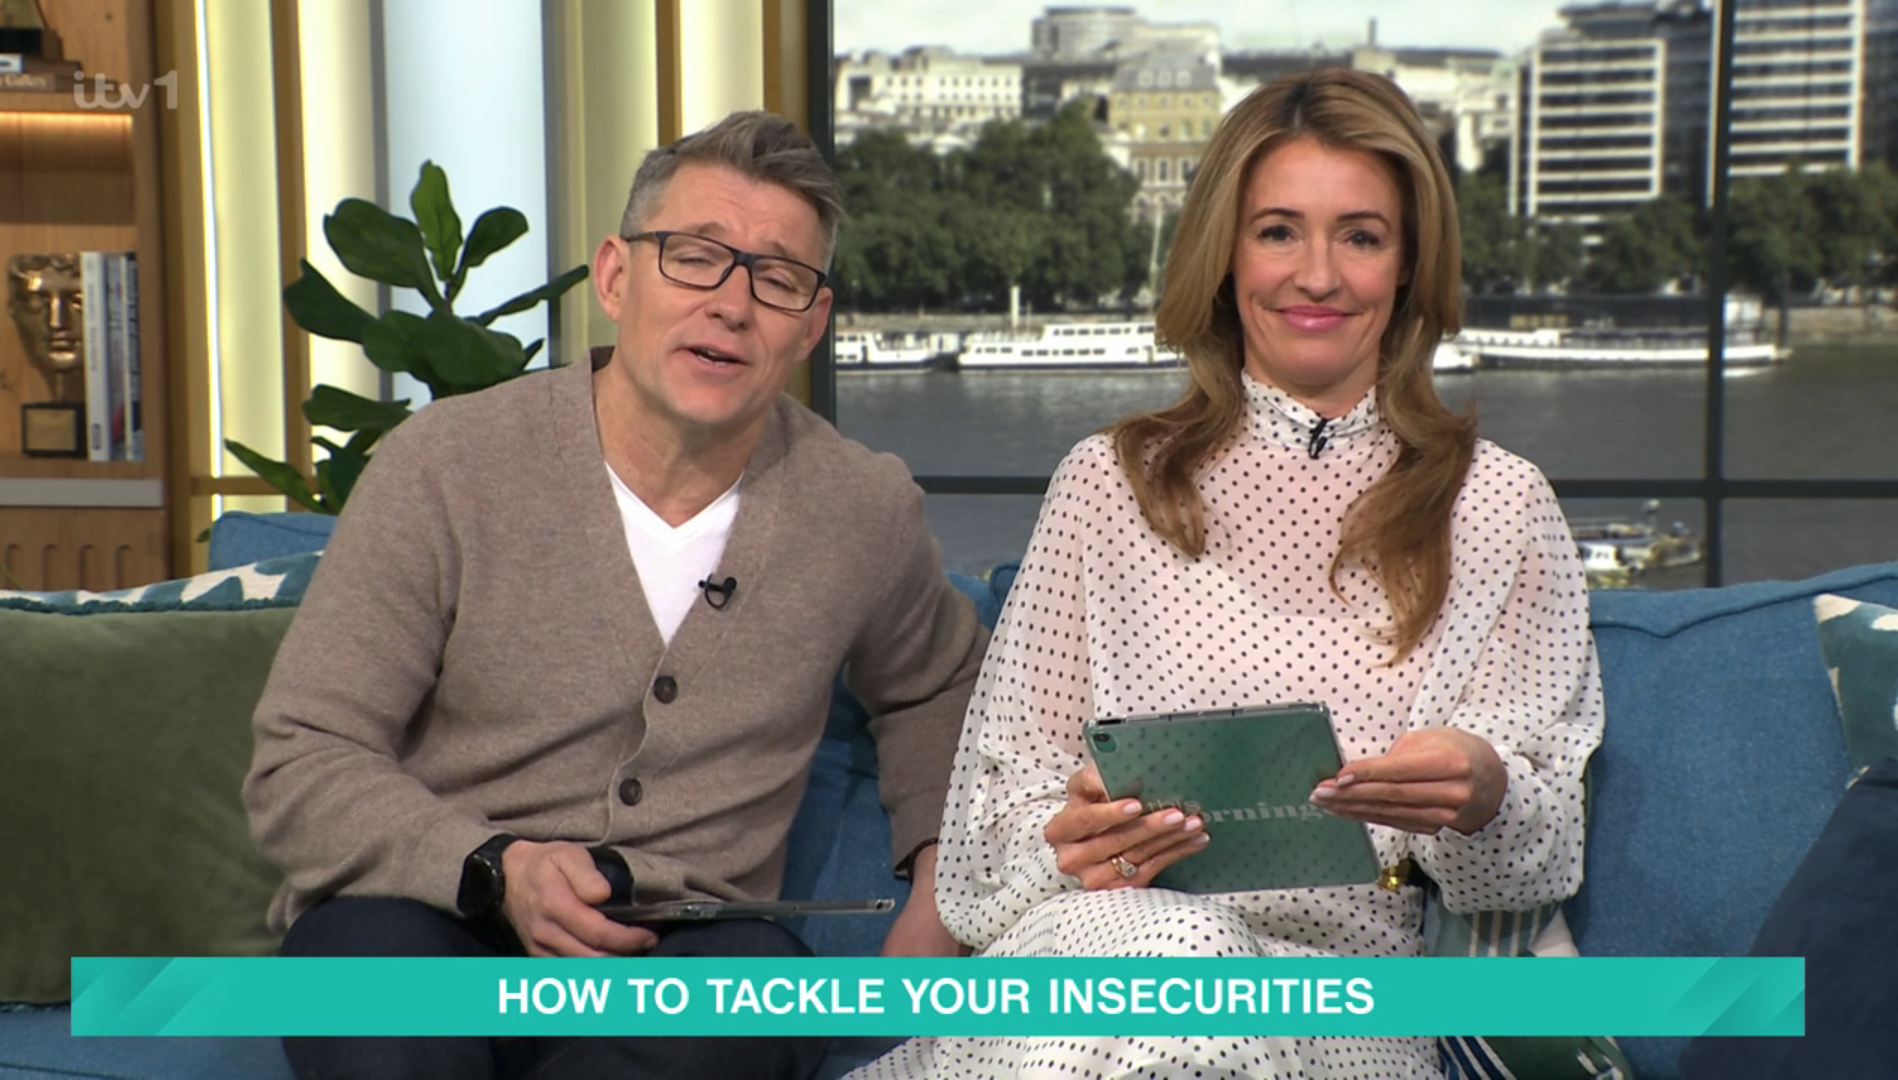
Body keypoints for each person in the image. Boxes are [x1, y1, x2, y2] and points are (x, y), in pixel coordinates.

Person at [856, 69, 1604, 1079]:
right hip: (1096, 953)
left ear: (1411, 264)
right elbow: (983, 868)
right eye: (1279, 230)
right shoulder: (1106, 483)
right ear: (1224, 254)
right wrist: (1066, 844)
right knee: (1165, 957)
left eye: (1363, 235)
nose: (1319, 275)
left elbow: (1542, 859)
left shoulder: (1500, 506)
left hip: (1353, 1012)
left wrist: (1485, 794)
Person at [243, 110, 987, 1080]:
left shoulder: (859, 507)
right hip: (426, 911)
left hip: (694, 943)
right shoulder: (447, 466)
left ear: (811, 323)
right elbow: (302, 758)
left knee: (743, 1016)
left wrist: (936, 892)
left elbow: (940, 689)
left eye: (777, 278)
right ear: (615, 275)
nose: (732, 304)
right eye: (695, 258)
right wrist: (494, 867)